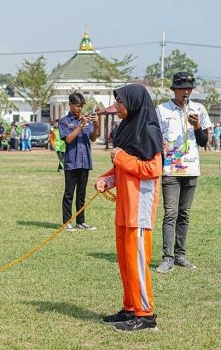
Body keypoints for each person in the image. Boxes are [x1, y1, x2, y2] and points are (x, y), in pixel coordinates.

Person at [95, 84, 162, 332]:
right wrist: (106, 179)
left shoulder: (150, 131)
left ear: (133, 102)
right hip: (124, 207)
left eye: (120, 102)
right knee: (125, 261)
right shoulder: (126, 128)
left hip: (139, 209)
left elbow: (152, 170)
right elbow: (120, 167)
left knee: (138, 262)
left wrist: (120, 157)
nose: (117, 107)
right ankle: (130, 308)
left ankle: (146, 315)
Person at [155, 72, 212, 273]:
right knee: (171, 213)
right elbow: (154, 138)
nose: (185, 92)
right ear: (174, 90)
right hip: (170, 169)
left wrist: (197, 126)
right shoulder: (162, 110)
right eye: (181, 88)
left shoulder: (199, 109)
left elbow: (204, 141)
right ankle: (167, 257)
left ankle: (180, 255)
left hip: (191, 168)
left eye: (188, 88)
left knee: (184, 214)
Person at [59, 92, 99, 231]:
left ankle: (81, 221)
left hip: (85, 162)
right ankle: (67, 222)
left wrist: (96, 124)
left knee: (81, 194)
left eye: (81, 106)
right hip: (71, 162)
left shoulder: (86, 120)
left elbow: (93, 138)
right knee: (69, 193)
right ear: (70, 105)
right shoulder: (64, 121)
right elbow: (68, 139)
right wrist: (80, 126)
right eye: (77, 106)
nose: (79, 109)